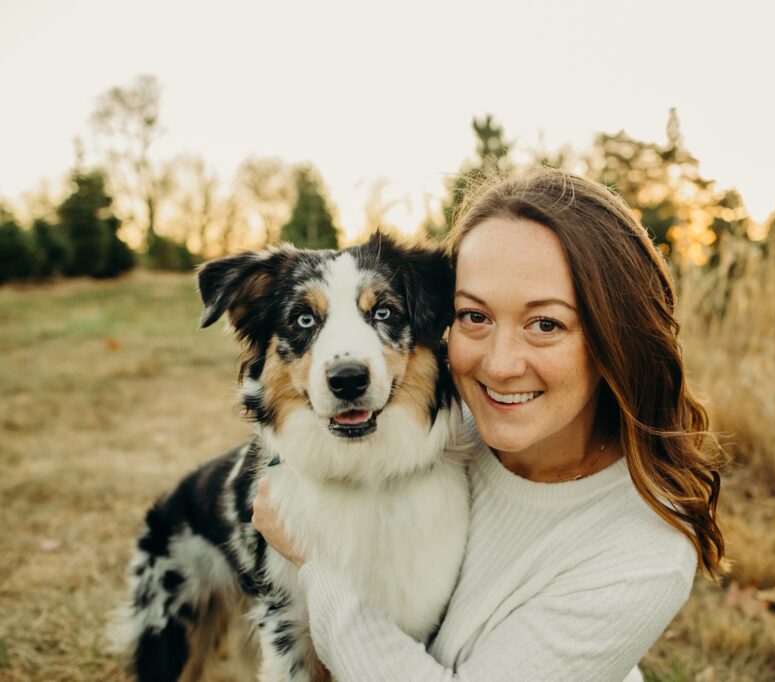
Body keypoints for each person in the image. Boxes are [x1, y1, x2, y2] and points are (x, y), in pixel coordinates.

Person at [253, 167, 725, 681]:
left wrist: (313, 568)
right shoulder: (439, 433)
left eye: (545, 324)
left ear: (616, 337)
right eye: (475, 317)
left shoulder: (642, 553)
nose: (499, 366)